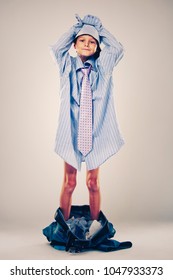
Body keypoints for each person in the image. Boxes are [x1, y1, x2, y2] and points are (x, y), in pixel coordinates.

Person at [50, 14, 124, 221]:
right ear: (74, 44)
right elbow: (57, 48)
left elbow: (117, 49)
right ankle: (63, 226)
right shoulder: (67, 66)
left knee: (93, 183)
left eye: (92, 42)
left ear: (97, 47)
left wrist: (98, 29)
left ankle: (93, 226)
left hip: (96, 132)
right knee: (69, 182)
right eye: (82, 40)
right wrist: (78, 28)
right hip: (72, 131)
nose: (86, 44)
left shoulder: (103, 68)